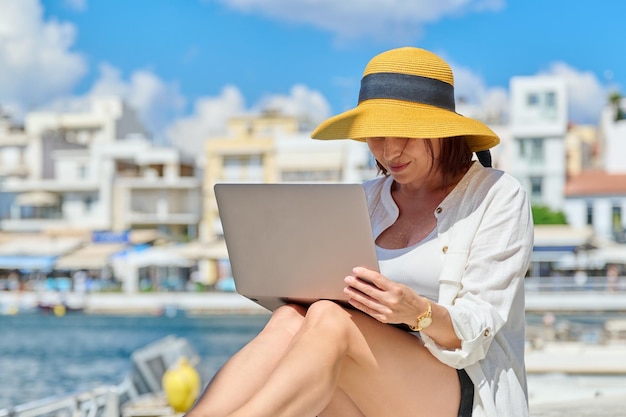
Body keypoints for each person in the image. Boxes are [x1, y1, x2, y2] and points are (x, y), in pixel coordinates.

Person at [186, 47, 533, 417]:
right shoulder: (365, 199)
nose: (389, 150)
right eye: (376, 135)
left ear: (443, 133)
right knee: (292, 317)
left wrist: (417, 312)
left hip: (463, 390)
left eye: (405, 133)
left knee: (331, 321)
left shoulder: (497, 194)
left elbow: (478, 331)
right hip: (365, 383)